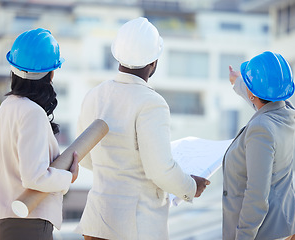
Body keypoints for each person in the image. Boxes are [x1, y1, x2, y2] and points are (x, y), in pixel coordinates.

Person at [74, 17, 210, 240]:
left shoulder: (94, 95)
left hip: (97, 222)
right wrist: (190, 186)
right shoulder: (151, 103)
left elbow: (84, 157)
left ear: (117, 54)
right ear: (154, 61)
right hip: (136, 227)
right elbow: (160, 170)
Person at [0, 28, 79, 240]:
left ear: (13, 69)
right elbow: (34, 177)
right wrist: (68, 176)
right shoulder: (32, 113)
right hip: (25, 223)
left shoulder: (6, 107)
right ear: (51, 74)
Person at [223, 51, 295, 240]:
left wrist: (244, 236)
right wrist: (238, 82)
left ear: (252, 92)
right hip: (290, 217)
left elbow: (257, 195)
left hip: (269, 229)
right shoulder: (286, 110)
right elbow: (262, 100)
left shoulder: (261, 129)